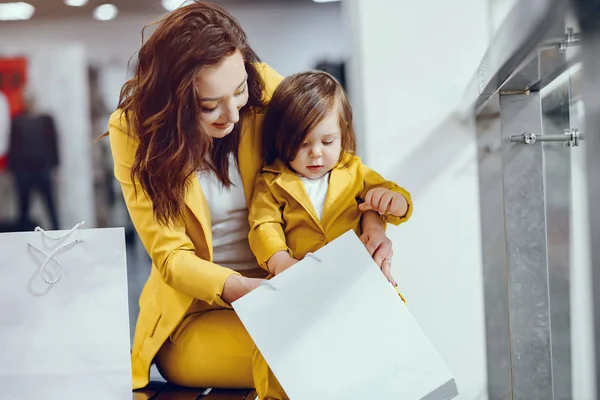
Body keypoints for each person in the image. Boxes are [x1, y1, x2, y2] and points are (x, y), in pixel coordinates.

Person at [106, 2, 395, 399]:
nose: (233, 114)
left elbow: (333, 162)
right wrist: (251, 291)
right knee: (310, 356)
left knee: (366, 339)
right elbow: (171, 258)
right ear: (173, 103)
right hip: (197, 316)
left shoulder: (260, 84)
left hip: (286, 296)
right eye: (209, 106)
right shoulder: (134, 129)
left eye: (238, 92)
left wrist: (373, 224)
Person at [248, 71, 412, 287]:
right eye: (303, 144)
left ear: (342, 134)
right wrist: (280, 260)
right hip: (302, 280)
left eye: (327, 142)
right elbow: (264, 225)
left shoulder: (354, 170)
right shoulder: (271, 182)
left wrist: (394, 202)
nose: (316, 153)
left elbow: (398, 197)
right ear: (281, 138)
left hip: (357, 277)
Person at [7, 94, 60, 231]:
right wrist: (13, 170)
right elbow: (13, 146)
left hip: (43, 168)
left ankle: (57, 232)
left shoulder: (46, 120)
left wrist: (55, 166)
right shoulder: (18, 122)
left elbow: (53, 143)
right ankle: (23, 236)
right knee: (23, 207)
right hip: (24, 171)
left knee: (50, 205)